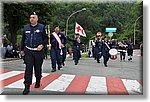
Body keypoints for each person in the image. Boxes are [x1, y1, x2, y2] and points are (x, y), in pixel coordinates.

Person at [20, 12, 48, 95]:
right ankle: (27, 86)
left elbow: (46, 39)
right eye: (30, 17)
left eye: (33, 17)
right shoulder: (26, 28)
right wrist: (22, 50)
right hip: (28, 50)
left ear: (37, 19)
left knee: (37, 68)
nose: (31, 19)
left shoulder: (42, 27)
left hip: (38, 51)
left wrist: (42, 45)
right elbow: (23, 40)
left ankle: (38, 80)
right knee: (28, 68)